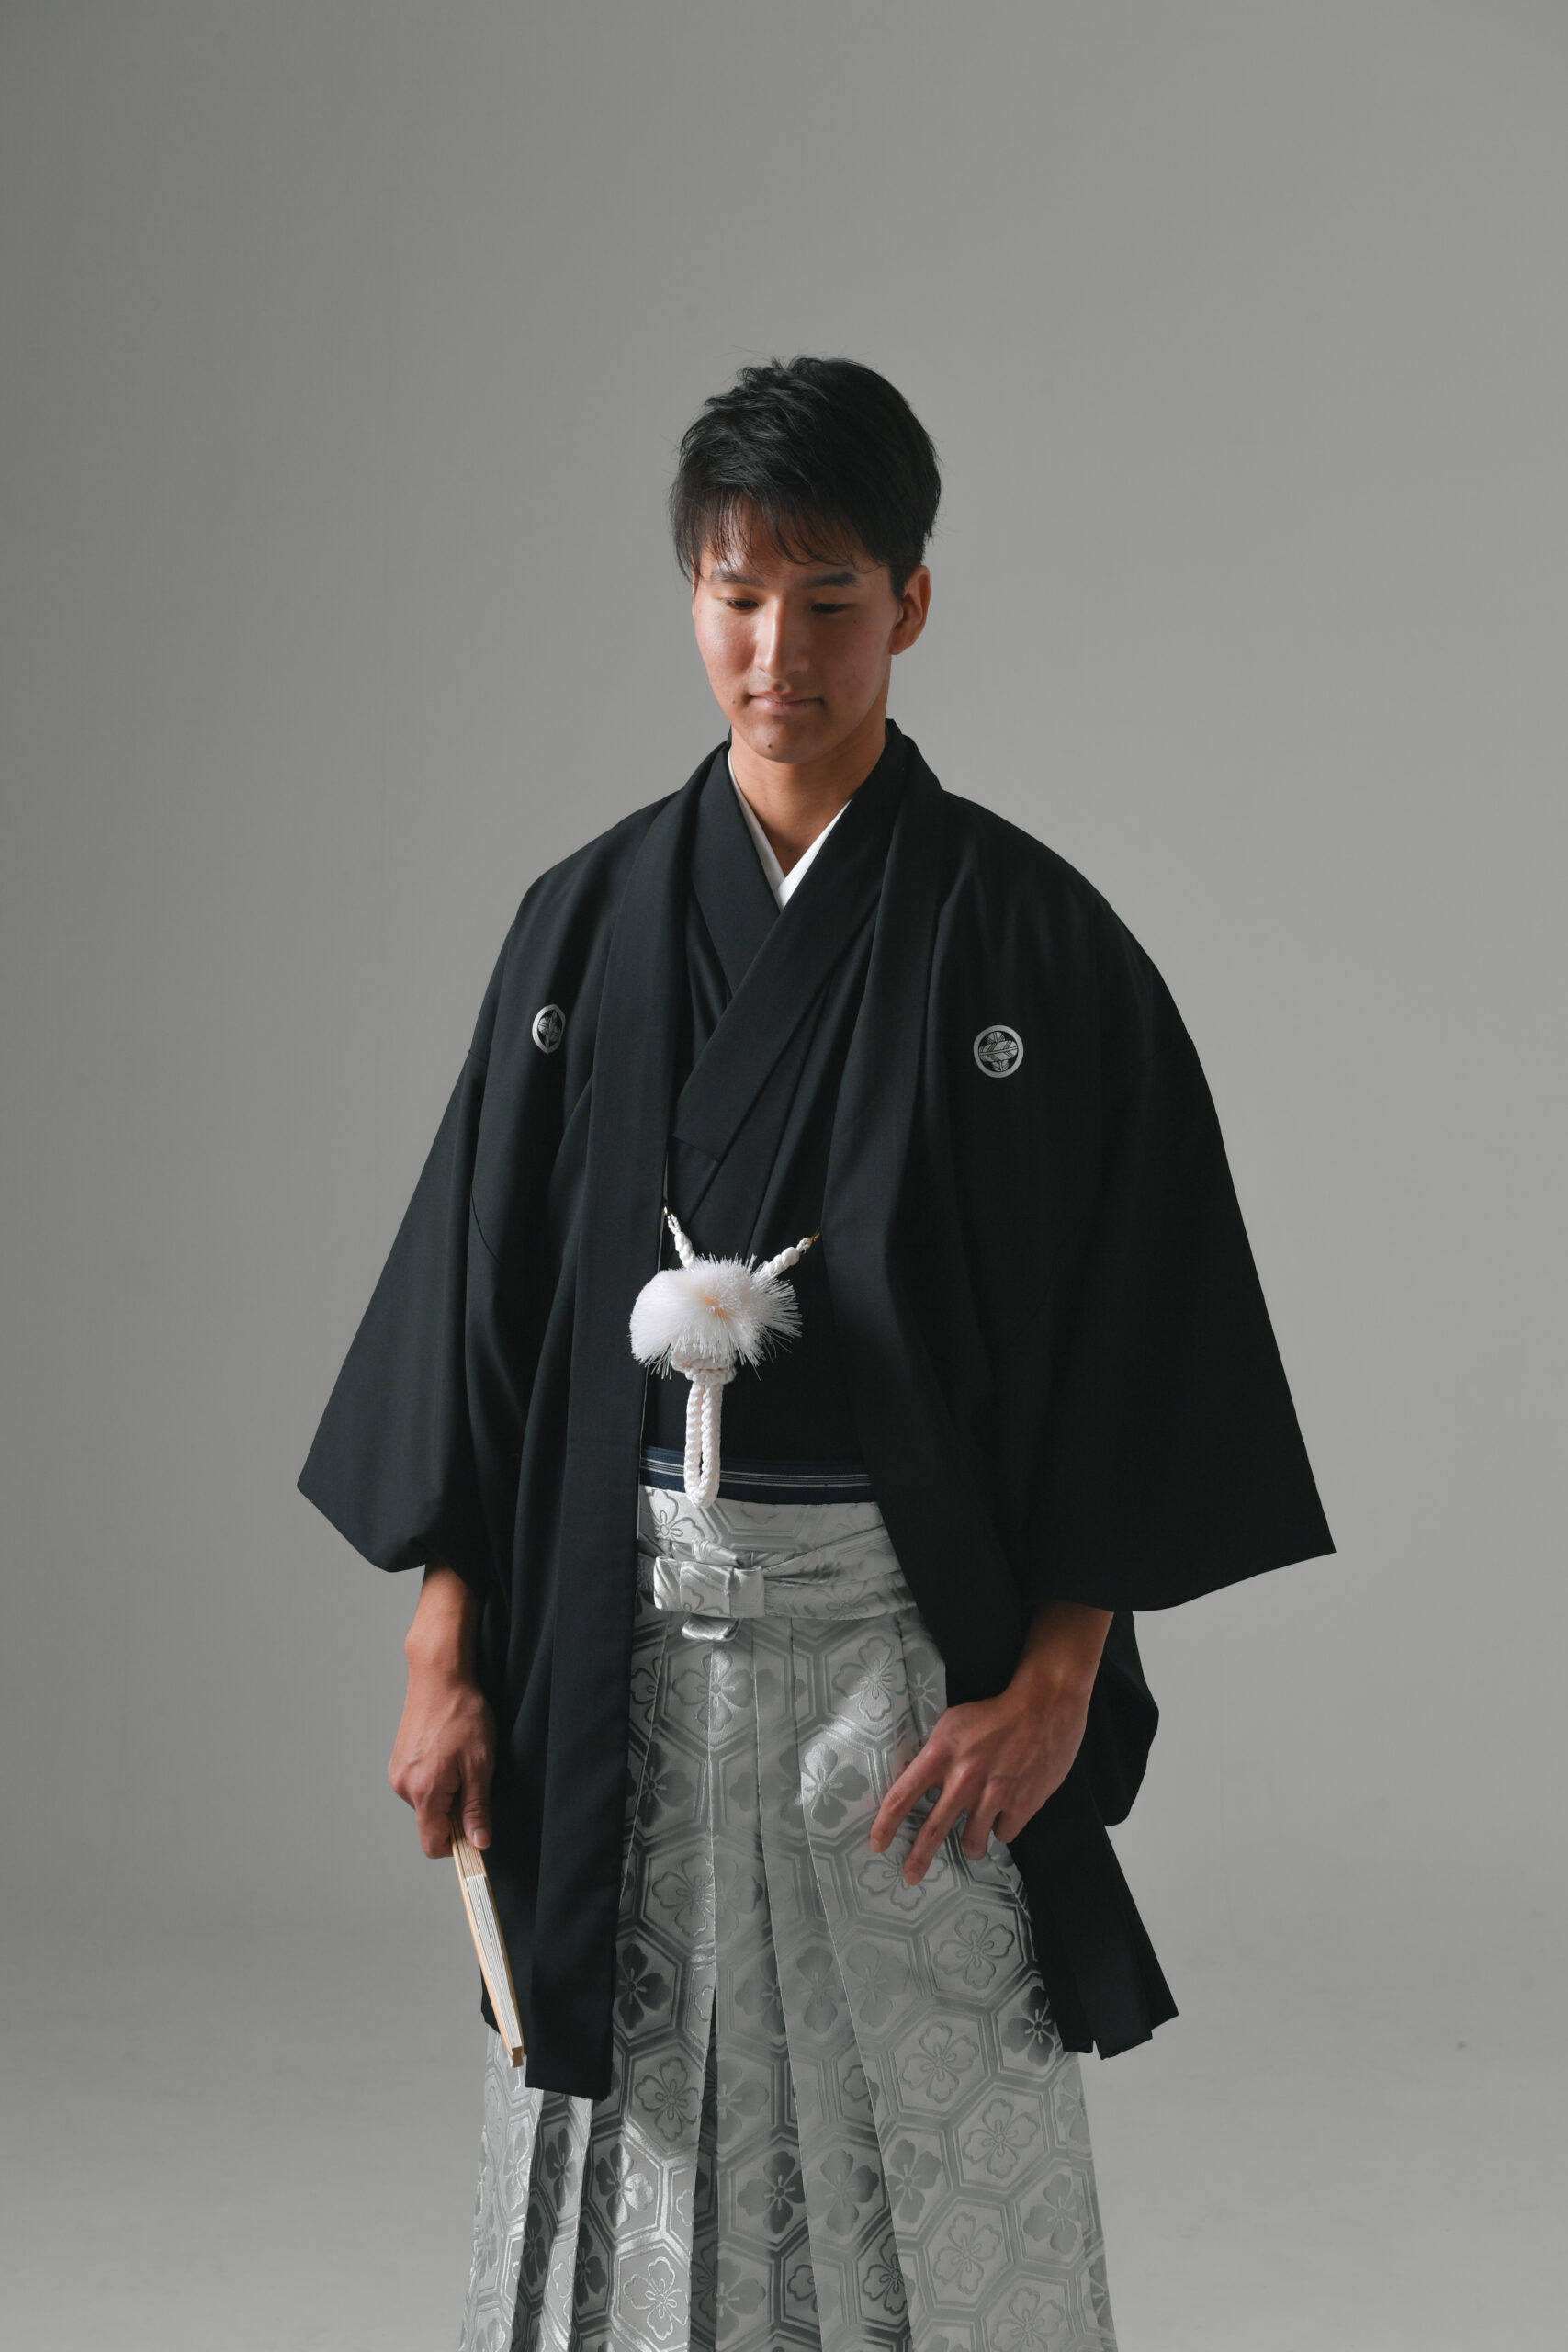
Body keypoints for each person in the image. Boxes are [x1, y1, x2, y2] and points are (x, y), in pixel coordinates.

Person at [299, 356, 1333, 2351]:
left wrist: (1057, 1675)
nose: (778, 651)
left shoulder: (1028, 940)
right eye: (737, 594)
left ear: (911, 603)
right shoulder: (584, 925)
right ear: (690, 596)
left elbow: (1141, 1323)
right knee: (632, 2163)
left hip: (902, 1657)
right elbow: (483, 1316)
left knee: (924, 2159)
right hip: (616, 1649)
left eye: (830, 599)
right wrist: (444, 1644)